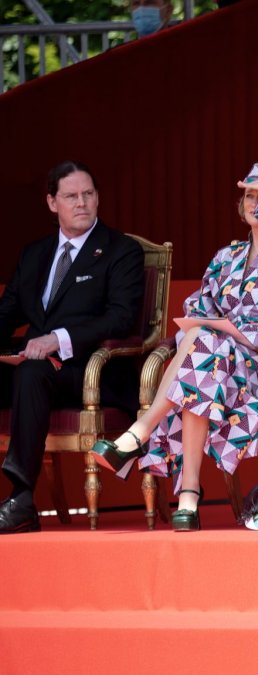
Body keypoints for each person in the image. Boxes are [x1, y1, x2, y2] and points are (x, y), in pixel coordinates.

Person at [91, 163, 258, 532]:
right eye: (248, 195)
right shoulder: (225, 256)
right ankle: (188, 496)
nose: (254, 203)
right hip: (216, 359)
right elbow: (199, 309)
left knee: (203, 353)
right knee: (203, 351)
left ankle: (143, 437)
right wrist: (208, 329)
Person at [0, 161, 145, 534]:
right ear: (52, 203)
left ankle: (21, 499)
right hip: (38, 365)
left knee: (32, 371)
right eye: (71, 196)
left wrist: (58, 339)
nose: (81, 203)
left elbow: (121, 318)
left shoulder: (120, 251)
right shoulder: (35, 254)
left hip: (92, 369)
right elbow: (6, 313)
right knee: (31, 369)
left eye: (88, 194)